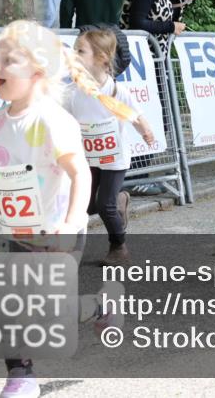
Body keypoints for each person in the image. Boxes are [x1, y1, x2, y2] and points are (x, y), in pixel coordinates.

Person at [0, 20, 119, 398]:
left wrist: (72, 223)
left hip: (57, 234)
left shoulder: (52, 120)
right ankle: (21, 376)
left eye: (9, 60)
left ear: (37, 72)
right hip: (16, 235)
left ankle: (99, 307)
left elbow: (80, 173)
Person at [65, 27, 155, 265]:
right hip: (88, 158)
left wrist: (145, 131)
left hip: (115, 158)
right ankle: (119, 201)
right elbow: (61, 120)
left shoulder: (116, 91)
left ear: (101, 59)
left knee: (105, 204)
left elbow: (135, 115)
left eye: (80, 51)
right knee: (86, 205)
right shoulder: (72, 93)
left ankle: (118, 246)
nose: (74, 55)